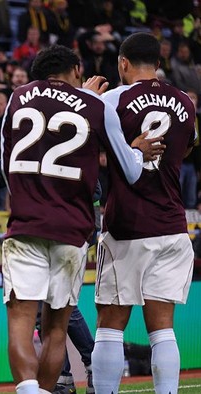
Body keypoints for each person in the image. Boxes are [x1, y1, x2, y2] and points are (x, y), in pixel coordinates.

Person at [0, 44, 162, 394]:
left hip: (26, 226)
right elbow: (130, 171)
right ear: (77, 69)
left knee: (19, 322)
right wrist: (136, 148)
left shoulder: (17, 98)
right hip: (72, 232)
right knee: (56, 330)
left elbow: (6, 168)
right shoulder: (95, 105)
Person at [92, 32, 197, 394]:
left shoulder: (112, 100)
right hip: (172, 225)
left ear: (123, 63)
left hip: (128, 226)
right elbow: (187, 146)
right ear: (159, 63)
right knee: (163, 328)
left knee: (109, 324)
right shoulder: (185, 101)